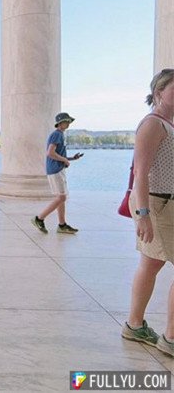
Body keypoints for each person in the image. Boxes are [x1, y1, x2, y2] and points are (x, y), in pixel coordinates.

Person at [122, 68, 174, 357]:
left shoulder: (168, 123)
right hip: (155, 204)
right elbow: (141, 173)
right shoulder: (153, 124)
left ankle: (134, 324)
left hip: (165, 203)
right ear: (158, 93)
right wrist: (142, 214)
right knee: (150, 263)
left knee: (151, 264)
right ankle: (171, 338)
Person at [31, 112, 84, 234]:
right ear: (60, 123)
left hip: (58, 169)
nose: (68, 123)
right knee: (62, 197)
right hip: (55, 170)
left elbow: (57, 155)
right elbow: (50, 153)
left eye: (69, 121)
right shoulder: (57, 134)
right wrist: (65, 160)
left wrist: (71, 158)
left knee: (61, 197)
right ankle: (39, 218)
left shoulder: (59, 134)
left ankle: (62, 225)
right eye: (66, 121)